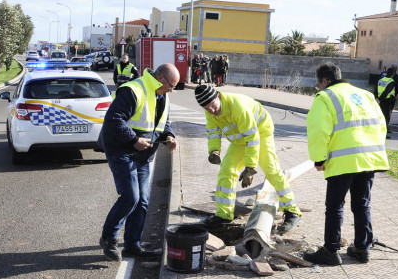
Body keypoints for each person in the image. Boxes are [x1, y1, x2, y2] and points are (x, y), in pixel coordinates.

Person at [303, 63, 389, 266]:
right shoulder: (366, 95)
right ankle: (362, 249)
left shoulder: (325, 97)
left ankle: (331, 250)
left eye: (318, 84)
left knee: (334, 207)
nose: (319, 88)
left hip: (343, 161)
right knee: (362, 205)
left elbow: (318, 131)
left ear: (325, 81)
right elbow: (382, 125)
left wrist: (319, 158)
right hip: (368, 160)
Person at [194, 84, 302, 233]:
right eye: (207, 108)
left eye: (213, 106)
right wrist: (214, 151)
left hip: (260, 133)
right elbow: (213, 132)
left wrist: (250, 168)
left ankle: (292, 212)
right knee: (227, 171)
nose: (212, 110)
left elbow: (252, 138)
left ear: (218, 96)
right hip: (239, 141)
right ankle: (224, 215)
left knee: (272, 171)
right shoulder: (210, 111)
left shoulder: (237, 106)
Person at [99, 64, 179, 261]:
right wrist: (134, 140)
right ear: (160, 77)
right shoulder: (133, 90)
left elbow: (163, 122)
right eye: (171, 85)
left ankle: (132, 244)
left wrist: (169, 136)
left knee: (142, 201)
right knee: (130, 197)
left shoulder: (163, 94)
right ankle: (108, 238)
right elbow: (113, 120)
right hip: (122, 151)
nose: (171, 90)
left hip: (143, 154)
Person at [375, 67, 396, 138]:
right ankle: (384, 134)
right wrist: (380, 99)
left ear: (386, 72)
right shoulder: (391, 81)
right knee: (386, 118)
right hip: (387, 101)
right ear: (393, 73)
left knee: (380, 116)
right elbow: (386, 92)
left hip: (380, 101)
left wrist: (377, 99)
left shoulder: (380, 80)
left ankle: (378, 132)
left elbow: (376, 90)